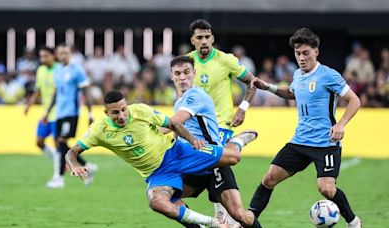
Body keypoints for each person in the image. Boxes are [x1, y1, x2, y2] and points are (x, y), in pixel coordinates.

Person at [65, 90, 258, 227]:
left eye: (124, 109)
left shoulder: (140, 110)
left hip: (177, 152)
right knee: (157, 202)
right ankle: (213, 224)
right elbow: (71, 152)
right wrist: (74, 165)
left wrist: (192, 140)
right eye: (116, 112)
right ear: (106, 113)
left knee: (233, 157)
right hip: (158, 173)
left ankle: (237, 141)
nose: (122, 115)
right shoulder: (99, 130)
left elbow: (172, 123)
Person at [249, 28, 362, 228]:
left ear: (316, 51)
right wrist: (269, 87)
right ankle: (247, 220)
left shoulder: (328, 75)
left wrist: (341, 123)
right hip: (299, 141)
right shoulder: (297, 75)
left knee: (326, 189)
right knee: (269, 178)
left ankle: (353, 222)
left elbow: (354, 100)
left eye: (306, 53)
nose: (301, 58)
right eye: (298, 53)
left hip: (326, 143)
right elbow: (292, 93)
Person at [167, 55, 262, 228]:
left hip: (214, 161)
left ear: (194, 73)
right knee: (168, 199)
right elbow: (177, 132)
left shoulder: (196, 95)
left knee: (239, 215)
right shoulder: (179, 101)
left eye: (186, 72)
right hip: (194, 164)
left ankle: (235, 143)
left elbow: (173, 123)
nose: (182, 77)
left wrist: (146, 129)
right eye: (178, 73)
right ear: (171, 76)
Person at [187, 18, 258, 221]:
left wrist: (243, 108)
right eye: (199, 37)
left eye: (207, 37)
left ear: (213, 38)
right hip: (195, 126)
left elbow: (251, 82)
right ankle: (237, 143)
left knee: (215, 159)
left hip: (220, 123)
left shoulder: (226, 60)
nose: (204, 41)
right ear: (193, 40)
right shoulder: (187, 63)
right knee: (205, 167)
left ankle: (221, 211)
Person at [44, 43, 97, 188]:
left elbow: (86, 92)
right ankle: (88, 166)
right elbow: (56, 93)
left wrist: (90, 112)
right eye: (60, 53)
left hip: (72, 112)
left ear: (70, 55)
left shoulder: (77, 70)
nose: (63, 56)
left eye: (66, 53)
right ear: (57, 55)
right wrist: (47, 113)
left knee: (61, 142)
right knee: (61, 143)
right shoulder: (57, 71)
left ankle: (59, 178)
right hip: (59, 113)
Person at [24, 46, 60, 186]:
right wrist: (29, 105)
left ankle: (57, 177)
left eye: (45, 56)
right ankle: (61, 161)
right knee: (39, 142)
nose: (42, 59)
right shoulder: (41, 70)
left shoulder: (59, 69)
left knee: (57, 144)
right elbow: (38, 90)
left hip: (58, 112)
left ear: (53, 56)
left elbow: (58, 93)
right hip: (46, 113)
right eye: (41, 56)